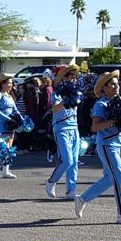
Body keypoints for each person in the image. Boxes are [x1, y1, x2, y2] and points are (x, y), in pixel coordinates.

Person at [74, 71, 121, 225]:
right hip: (106, 145)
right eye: (113, 85)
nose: (117, 87)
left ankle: (82, 199)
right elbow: (95, 127)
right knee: (120, 177)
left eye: (117, 84)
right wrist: (112, 120)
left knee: (110, 179)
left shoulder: (119, 102)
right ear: (104, 88)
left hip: (116, 143)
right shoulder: (100, 104)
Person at [45, 65, 81, 199]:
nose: (74, 79)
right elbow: (55, 109)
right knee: (67, 160)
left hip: (74, 128)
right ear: (64, 78)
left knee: (74, 162)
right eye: (71, 76)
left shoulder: (76, 92)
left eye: (75, 77)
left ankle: (71, 191)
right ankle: (51, 181)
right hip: (61, 128)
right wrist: (65, 101)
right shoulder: (58, 92)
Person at [0, 73, 21, 178]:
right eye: (9, 83)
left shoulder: (9, 95)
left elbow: (15, 110)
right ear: (2, 84)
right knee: (2, 148)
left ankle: (5, 171)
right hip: (0, 124)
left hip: (10, 125)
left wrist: (21, 119)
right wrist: (9, 119)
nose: (11, 85)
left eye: (11, 83)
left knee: (8, 148)